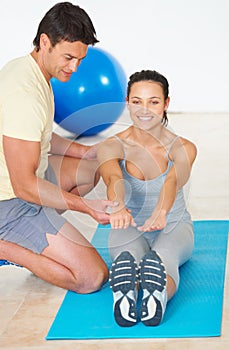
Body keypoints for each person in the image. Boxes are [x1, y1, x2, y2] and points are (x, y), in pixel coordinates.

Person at [0, 2, 118, 294]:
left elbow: (39, 135)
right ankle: (8, 247)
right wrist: (86, 207)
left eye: (80, 59)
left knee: (87, 170)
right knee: (91, 277)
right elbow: (25, 185)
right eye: (68, 57)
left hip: (23, 183)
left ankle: (37, 239)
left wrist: (87, 151)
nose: (74, 67)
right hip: (10, 202)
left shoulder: (30, 70)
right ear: (45, 42)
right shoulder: (23, 95)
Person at [97, 69, 197, 327]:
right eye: (137, 101)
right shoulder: (111, 145)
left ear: (166, 104)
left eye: (153, 102)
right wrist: (118, 207)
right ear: (127, 103)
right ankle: (126, 293)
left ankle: (156, 297)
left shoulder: (184, 147)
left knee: (164, 259)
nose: (144, 110)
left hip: (173, 226)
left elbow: (173, 181)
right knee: (127, 257)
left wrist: (161, 212)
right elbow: (113, 179)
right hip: (128, 226)